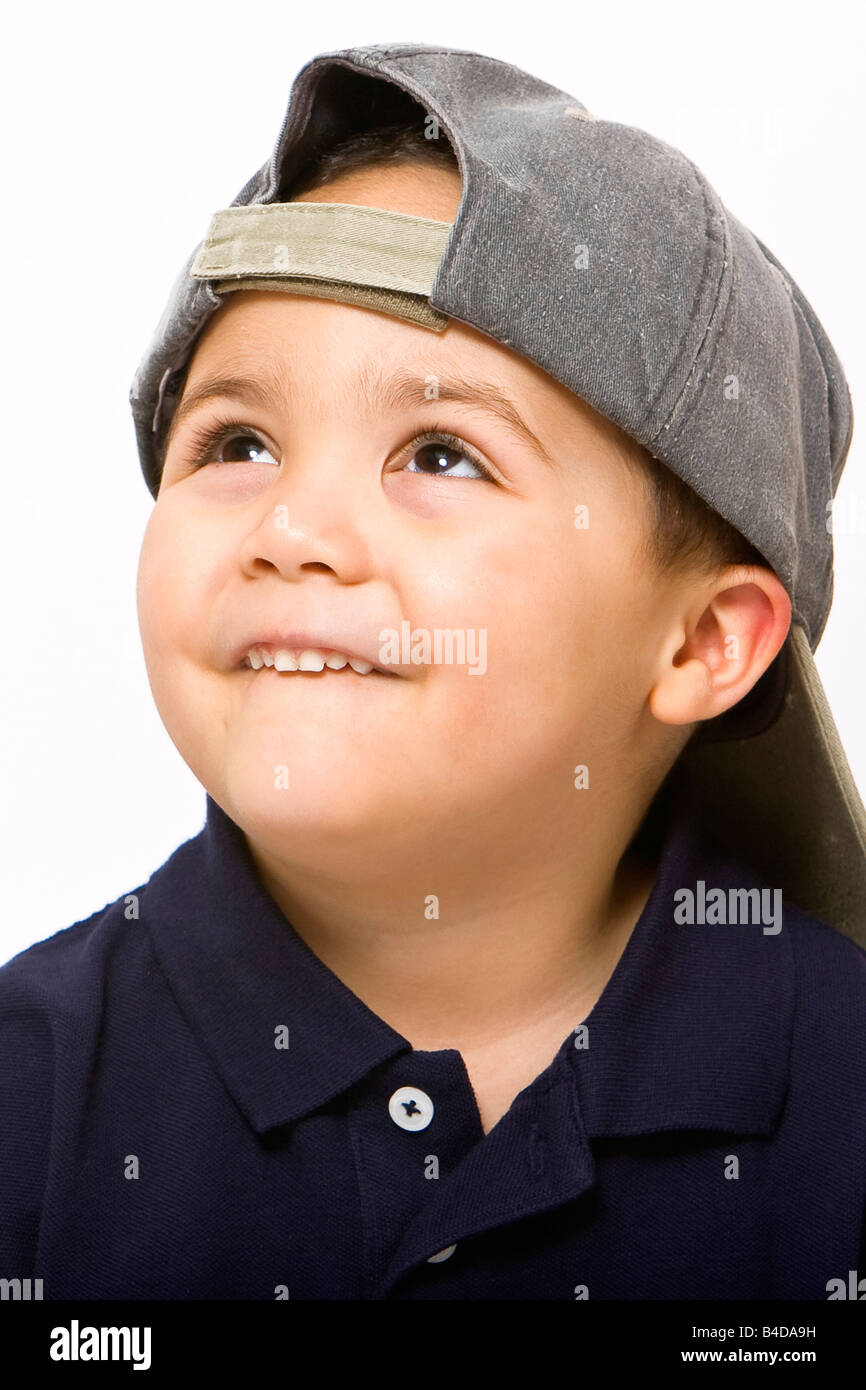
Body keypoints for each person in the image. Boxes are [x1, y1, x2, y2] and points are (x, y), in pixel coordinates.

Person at [1, 41, 864, 1301]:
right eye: (235, 441)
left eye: (441, 457)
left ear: (700, 643)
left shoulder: (839, 1090)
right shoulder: (32, 1090)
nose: (292, 532)